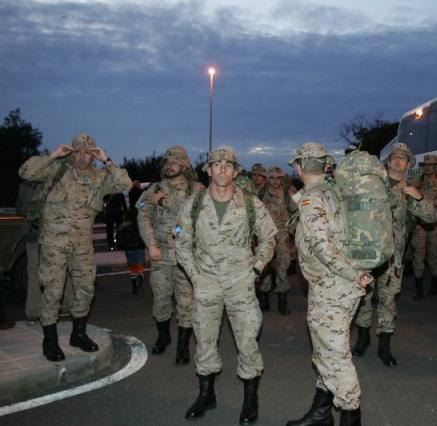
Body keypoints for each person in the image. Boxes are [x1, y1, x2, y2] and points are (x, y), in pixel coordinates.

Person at [175, 147, 276, 424]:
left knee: (247, 340)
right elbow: (181, 242)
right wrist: (195, 276)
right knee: (204, 339)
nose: (222, 169)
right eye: (216, 164)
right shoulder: (193, 204)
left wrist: (255, 270)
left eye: (228, 165)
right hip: (206, 281)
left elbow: (269, 238)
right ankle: (206, 395)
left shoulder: (251, 204)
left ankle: (250, 399)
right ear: (208, 170)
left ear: (235, 172)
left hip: (240, 282)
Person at [18, 133, 132, 362]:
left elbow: (125, 184)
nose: (82, 156)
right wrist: (53, 156)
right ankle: (50, 340)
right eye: (78, 151)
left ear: (93, 154)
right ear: (71, 152)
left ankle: (78, 334)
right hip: (54, 243)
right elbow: (26, 172)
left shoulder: (100, 177)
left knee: (85, 288)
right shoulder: (56, 169)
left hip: (82, 244)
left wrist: (107, 160)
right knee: (53, 291)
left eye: (88, 152)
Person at [286, 143, 373, 426]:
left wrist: (352, 274)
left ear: (298, 167)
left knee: (334, 356)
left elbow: (322, 248)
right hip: (342, 286)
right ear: (327, 166)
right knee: (326, 350)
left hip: (333, 285)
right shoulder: (336, 191)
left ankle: (351, 416)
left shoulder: (312, 199)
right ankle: (321, 414)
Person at [352, 143, 437, 367]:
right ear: (387, 162)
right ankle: (362, 338)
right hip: (368, 254)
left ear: (408, 164)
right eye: (394, 157)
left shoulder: (409, 191)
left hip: (393, 257)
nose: (398, 160)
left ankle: (384, 345)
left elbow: (432, 218)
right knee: (363, 298)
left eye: (403, 157)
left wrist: (417, 197)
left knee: (388, 301)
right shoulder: (373, 185)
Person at [137, 146, 203, 364]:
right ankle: (163, 336)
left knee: (186, 301)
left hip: (187, 256)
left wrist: (163, 202)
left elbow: (193, 214)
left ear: (185, 164)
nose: (170, 165)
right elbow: (143, 216)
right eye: (167, 161)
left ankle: (183, 346)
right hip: (161, 254)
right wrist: (151, 244)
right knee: (160, 298)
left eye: (175, 161)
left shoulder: (196, 189)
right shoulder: (155, 188)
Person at [15, 181, 75, 322]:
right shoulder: (55, 181)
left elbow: (19, 209)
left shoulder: (25, 185)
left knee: (33, 271)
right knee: (61, 267)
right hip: (53, 233)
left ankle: (33, 311)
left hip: (32, 233)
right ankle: (68, 304)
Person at [256, 166, 298, 315]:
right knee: (264, 264)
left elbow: (297, 211)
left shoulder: (288, 193)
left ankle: (282, 298)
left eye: (278, 178)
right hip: (264, 233)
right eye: (272, 177)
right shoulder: (260, 193)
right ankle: (264, 298)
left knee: (282, 265)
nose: (275, 181)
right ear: (267, 178)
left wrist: (292, 231)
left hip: (282, 233)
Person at [411, 155, 437, 297]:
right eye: (424, 165)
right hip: (419, 225)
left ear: (435, 166)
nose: (427, 167)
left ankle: (436, 283)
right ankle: (419, 289)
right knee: (419, 255)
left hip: (436, 225)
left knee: (434, 254)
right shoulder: (417, 182)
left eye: (430, 165)